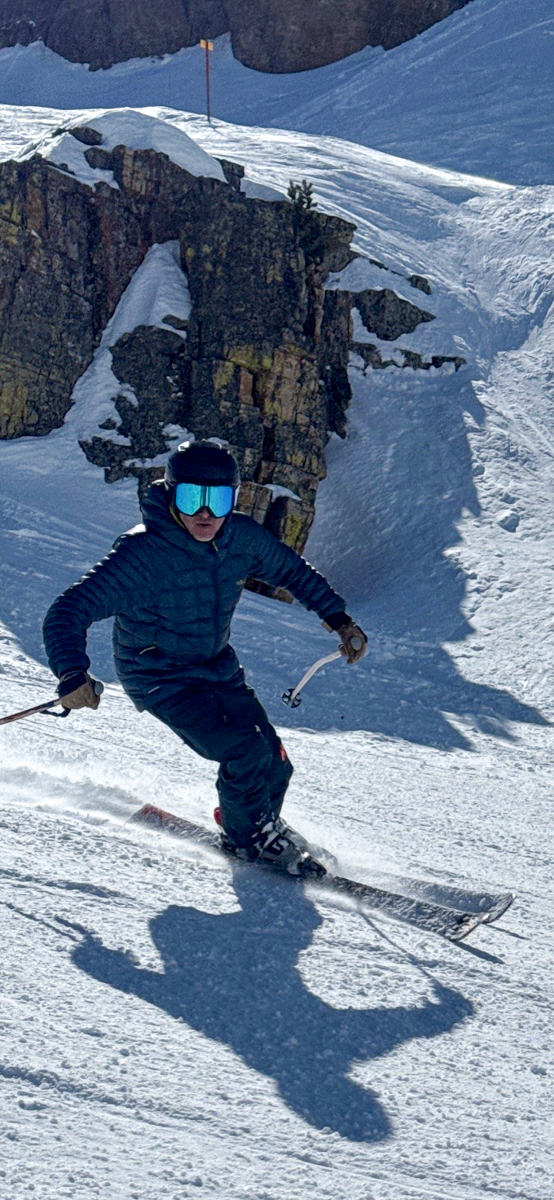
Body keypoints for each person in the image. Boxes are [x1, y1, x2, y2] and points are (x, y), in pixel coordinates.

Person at [43, 441, 367, 873]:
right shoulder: (143, 555)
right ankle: (247, 839)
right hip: (160, 676)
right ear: (171, 494)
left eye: (218, 500)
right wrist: (71, 673)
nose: (205, 513)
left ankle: (256, 821)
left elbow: (292, 572)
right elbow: (69, 611)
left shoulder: (240, 538)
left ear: (234, 498)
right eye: (191, 497)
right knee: (244, 750)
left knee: (273, 760)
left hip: (216, 665)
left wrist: (339, 620)